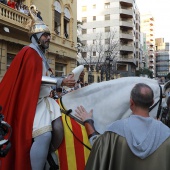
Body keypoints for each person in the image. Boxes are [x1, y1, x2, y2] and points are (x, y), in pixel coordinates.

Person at [0, 5, 76, 170]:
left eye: (49, 35)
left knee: (60, 126)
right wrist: (61, 81)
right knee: (44, 135)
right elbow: (34, 79)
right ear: (35, 37)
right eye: (45, 35)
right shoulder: (28, 52)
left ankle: (48, 157)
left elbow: (44, 78)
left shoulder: (40, 54)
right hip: (32, 104)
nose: (48, 38)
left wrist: (61, 82)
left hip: (44, 101)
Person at [75, 83, 170, 170]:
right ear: (152, 102)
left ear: (131, 102)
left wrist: (88, 121)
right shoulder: (166, 134)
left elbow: (97, 144)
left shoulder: (114, 131)